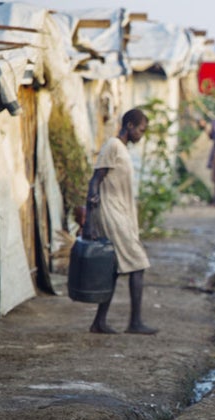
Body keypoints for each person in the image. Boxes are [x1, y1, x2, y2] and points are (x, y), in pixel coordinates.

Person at [83, 108, 158, 335]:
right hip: (111, 213)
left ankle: (99, 322)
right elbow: (95, 181)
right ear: (130, 126)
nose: (141, 135)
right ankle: (134, 322)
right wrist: (89, 222)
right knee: (139, 263)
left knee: (113, 269)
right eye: (141, 130)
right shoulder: (113, 146)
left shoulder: (121, 149)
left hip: (122, 214)